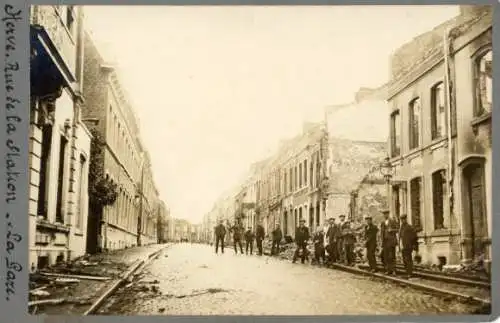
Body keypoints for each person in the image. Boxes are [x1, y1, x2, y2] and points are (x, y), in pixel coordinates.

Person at [399, 214, 418, 279]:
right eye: (401, 219)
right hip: (403, 246)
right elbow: (400, 237)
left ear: (406, 219)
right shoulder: (401, 227)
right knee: (404, 260)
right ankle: (407, 273)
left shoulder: (409, 227)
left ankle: (410, 273)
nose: (402, 220)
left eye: (403, 219)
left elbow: (414, 237)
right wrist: (400, 245)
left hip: (408, 246)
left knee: (408, 260)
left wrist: (413, 246)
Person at [380, 208, 398, 275]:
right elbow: (381, 233)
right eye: (384, 214)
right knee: (386, 256)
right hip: (385, 241)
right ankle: (388, 270)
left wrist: (392, 230)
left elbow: (397, 229)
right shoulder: (382, 222)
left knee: (392, 256)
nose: (385, 215)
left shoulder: (392, 221)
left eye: (386, 214)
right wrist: (381, 241)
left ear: (388, 214)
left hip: (391, 241)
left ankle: (394, 270)